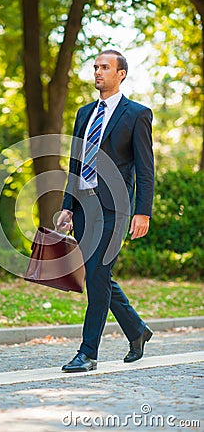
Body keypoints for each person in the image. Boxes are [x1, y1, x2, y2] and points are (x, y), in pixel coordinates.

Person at [57, 49, 154, 372]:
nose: (98, 72)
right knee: (99, 275)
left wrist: (143, 212)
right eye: (96, 67)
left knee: (97, 273)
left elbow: (145, 168)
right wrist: (67, 206)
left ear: (121, 74)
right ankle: (137, 330)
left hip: (116, 207)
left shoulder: (137, 114)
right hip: (84, 206)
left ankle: (88, 353)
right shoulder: (84, 113)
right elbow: (75, 161)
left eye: (105, 67)